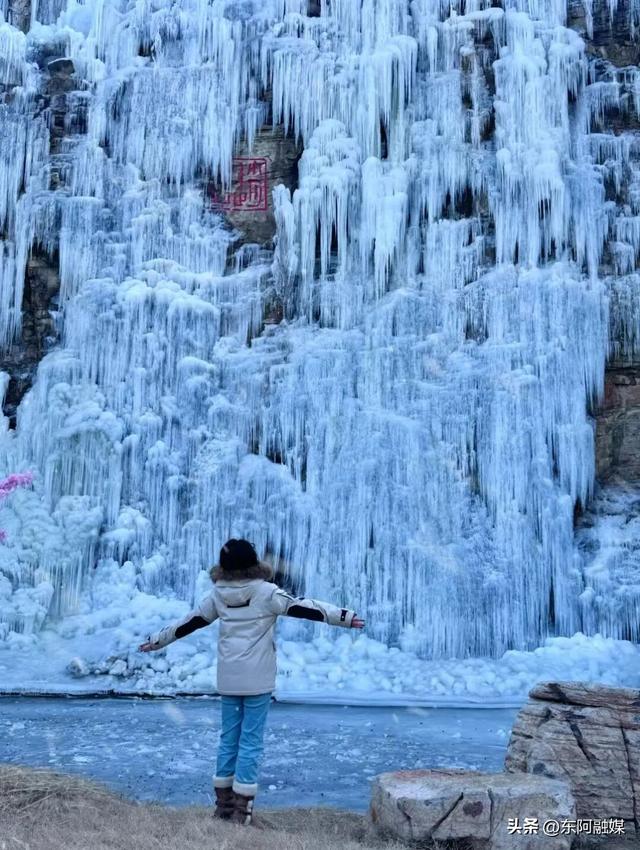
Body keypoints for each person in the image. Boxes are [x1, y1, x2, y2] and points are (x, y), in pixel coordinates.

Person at [139, 538, 365, 825]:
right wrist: (343, 617)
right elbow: (303, 607)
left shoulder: (217, 595)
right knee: (251, 742)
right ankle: (242, 812)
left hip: (229, 680)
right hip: (257, 681)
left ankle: (223, 807)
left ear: (224, 567)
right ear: (254, 564)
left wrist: (155, 641)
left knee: (228, 740)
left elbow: (189, 622)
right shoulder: (266, 592)